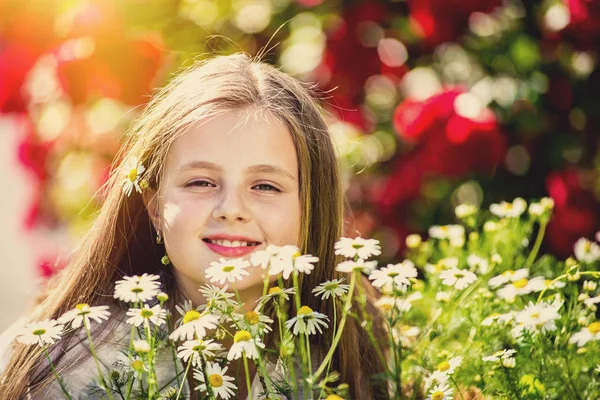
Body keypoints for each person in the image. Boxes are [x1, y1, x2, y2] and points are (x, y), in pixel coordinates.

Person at [0, 53, 387, 399]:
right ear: (153, 206)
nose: (231, 209)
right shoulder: (81, 370)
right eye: (201, 182)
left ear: (311, 210)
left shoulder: (348, 349)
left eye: (265, 186)